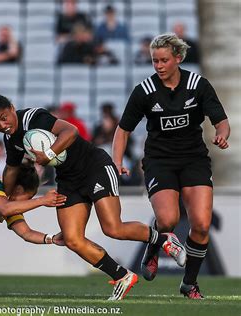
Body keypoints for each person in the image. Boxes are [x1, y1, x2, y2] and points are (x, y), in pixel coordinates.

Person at [0, 89, 187, 300]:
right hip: (68, 180)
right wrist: (4, 195)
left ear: (12, 109)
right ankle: (122, 276)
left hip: (94, 166)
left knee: (113, 228)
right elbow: (11, 168)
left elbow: (71, 131)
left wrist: (49, 153)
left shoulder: (34, 117)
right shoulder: (10, 138)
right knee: (72, 239)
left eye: (4, 118)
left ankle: (164, 240)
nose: (2, 125)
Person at [112, 33, 230, 299]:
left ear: (178, 58)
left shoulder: (198, 85)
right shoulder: (144, 91)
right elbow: (123, 130)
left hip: (194, 159)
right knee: (168, 220)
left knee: (200, 224)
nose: (159, 66)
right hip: (159, 160)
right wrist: (117, 162)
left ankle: (189, 283)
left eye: (164, 60)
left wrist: (222, 134)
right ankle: (153, 247)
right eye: (154, 61)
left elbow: (221, 121)